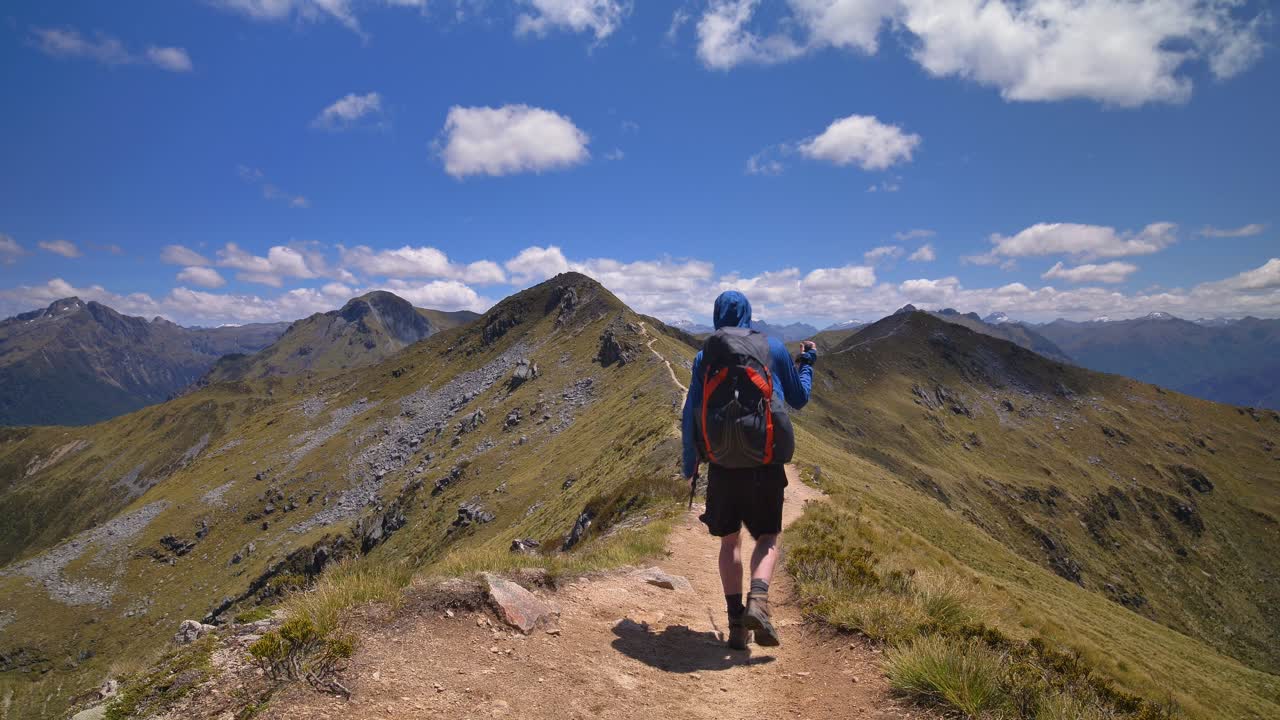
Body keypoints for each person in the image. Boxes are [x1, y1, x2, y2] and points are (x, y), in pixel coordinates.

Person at [681, 290, 816, 650]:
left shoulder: (705, 356)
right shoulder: (772, 348)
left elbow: (691, 410)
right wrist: (807, 364)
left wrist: (690, 462)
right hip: (765, 464)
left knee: (730, 542)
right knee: (767, 538)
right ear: (748, 314)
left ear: (716, 316)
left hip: (722, 465)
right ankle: (758, 600)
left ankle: (735, 624)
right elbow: (799, 399)